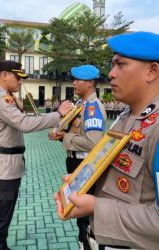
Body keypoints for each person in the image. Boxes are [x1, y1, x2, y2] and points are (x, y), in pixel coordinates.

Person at [55, 31, 159, 249]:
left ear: (151, 71)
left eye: (121, 65)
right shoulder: (126, 117)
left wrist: (96, 208)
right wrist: (82, 181)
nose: (111, 74)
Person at [0, 60, 73, 250]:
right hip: (3, 167)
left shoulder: (6, 96)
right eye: (17, 77)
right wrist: (58, 114)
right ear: (4, 75)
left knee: (4, 214)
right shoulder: (0, 98)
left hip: (9, 165)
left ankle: (1, 245)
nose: (20, 82)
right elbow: (24, 124)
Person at [49, 65, 106, 250]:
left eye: (77, 79)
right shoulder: (81, 105)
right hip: (75, 161)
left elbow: (93, 142)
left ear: (89, 82)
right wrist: (60, 136)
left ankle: (88, 243)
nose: (73, 83)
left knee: (84, 211)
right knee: (78, 209)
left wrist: (65, 137)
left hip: (85, 165)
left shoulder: (92, 108)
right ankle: (84, 241)